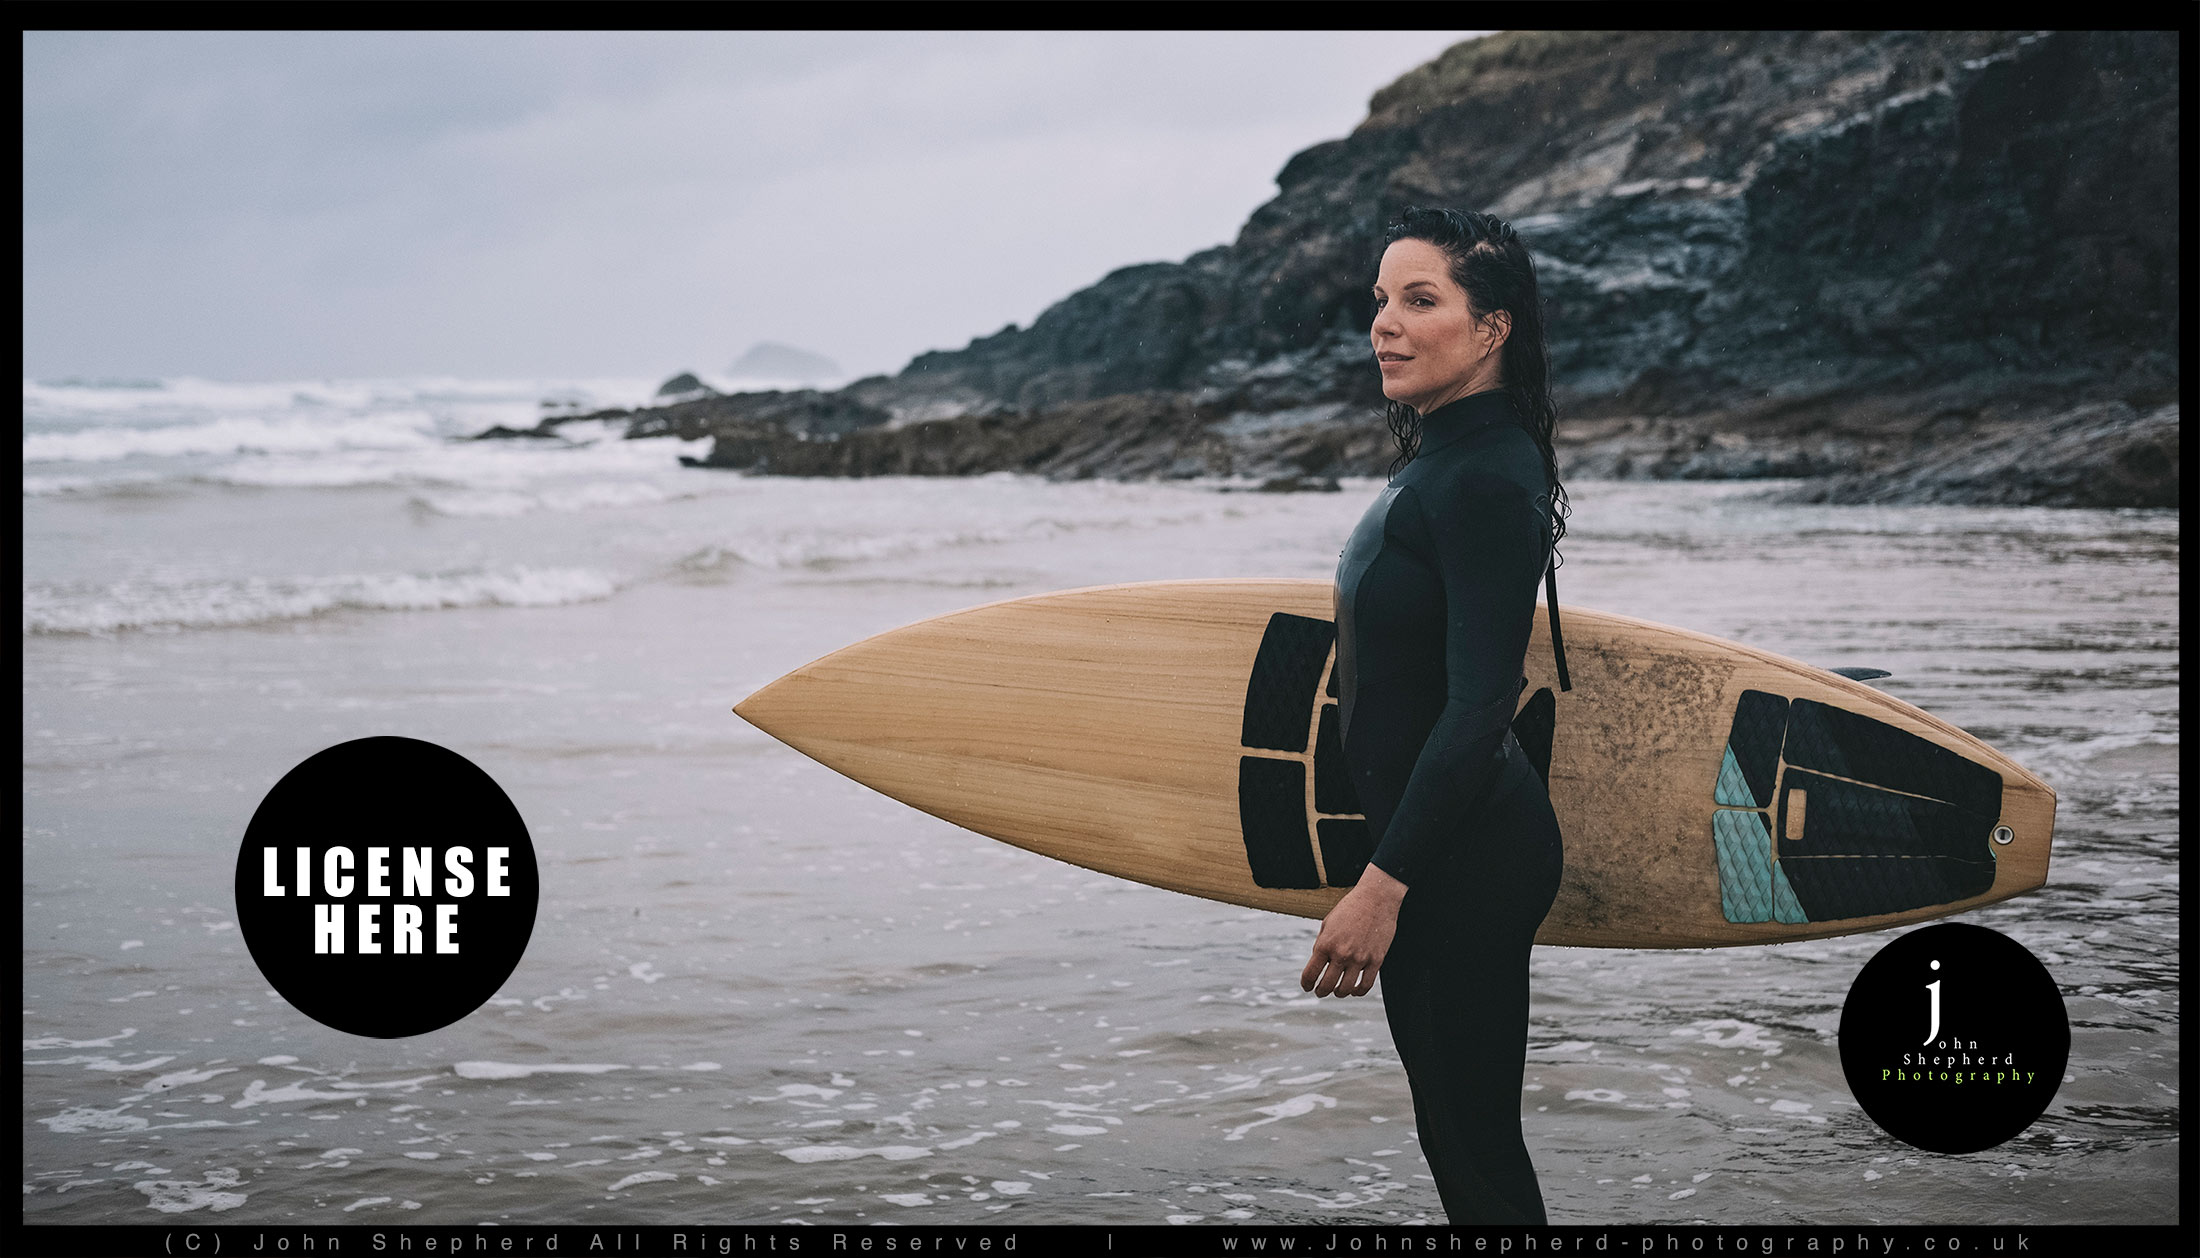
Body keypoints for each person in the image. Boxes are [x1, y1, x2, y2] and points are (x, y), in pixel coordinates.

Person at [1302, 205, 1570, 1224]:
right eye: (1380, 300)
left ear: (1491, 327)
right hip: (1438, 845)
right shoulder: (1446, 461)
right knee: (1455, 1138)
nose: (1385, 323)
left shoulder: (1487, 478)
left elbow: (1476, 704)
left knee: (1475, 1146)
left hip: (1462, 859)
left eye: (1420, 300)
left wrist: (1383, 885)